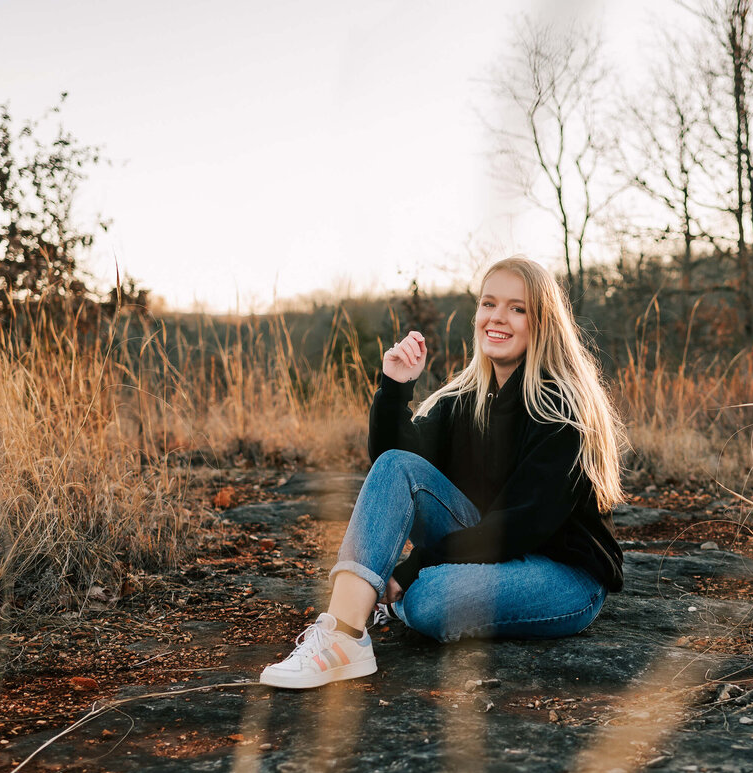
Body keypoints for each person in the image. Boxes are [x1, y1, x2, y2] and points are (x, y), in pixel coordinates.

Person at [260, 256, 627, 689]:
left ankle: (388, 601)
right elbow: (394, 468)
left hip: (561, 574)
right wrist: (395, 388)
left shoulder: (562, 409)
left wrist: (416, 566)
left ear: (543, 323)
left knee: (432, 601)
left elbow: (520, 526)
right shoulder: (465, 399)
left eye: (518, 308)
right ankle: (342, 638)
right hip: (490, 549)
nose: (498, 318)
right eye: (489, 303)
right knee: (398, 469)